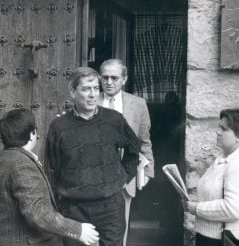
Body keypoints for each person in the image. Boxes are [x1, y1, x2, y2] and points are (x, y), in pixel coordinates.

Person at [45, 67, 140, 246]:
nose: (92, 94)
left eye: (96, 89)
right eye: (86, 89)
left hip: (110, 207)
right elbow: (51, 168)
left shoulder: (114, 120)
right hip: (73, 209)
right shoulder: (59, 126)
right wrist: (58, 204)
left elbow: (134, 149)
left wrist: (123, 177)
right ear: (73, 92)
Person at [0, 108, 99, 246]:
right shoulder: (22, 164)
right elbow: (37, 212)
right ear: (32, 134)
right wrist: (78, 230)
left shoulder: (5, 158)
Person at [183, 109, 239, 246]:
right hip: (212, 238)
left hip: (229, 240)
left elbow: (234, 208)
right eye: (219, 127)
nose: (218, 132)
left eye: (224, 129)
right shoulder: (223, 160)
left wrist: (196, 208)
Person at [98, 59, 154, 246]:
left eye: (114, 77)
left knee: (119, 229)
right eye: (105, 77)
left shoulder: (137, 104)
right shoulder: (91, 101)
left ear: (125, 79)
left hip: (125, 177)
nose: (109, 82)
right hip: (94, 178)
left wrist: (148, 171)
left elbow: (144, 140)